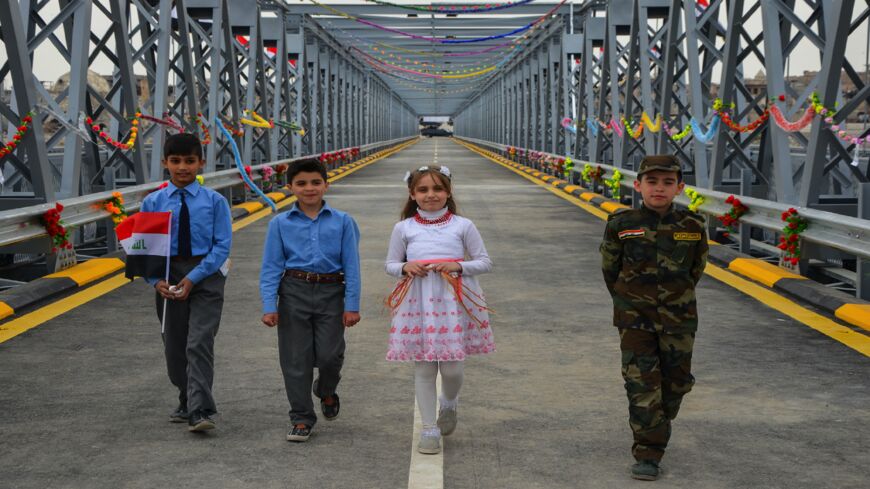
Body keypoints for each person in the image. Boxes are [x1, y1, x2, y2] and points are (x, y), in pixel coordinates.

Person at [600, 154, 708, 480]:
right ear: (638, 185)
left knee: (676, 384)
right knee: (641, 386)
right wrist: (630, 302)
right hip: (635, 320)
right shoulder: (621, 224)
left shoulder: (693, 225)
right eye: (651, 181)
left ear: (679, 187)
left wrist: (674, 299)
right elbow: (610, 270)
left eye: (667, 182)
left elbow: (696, 270)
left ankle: (658, 421)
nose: (658, 188)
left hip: (680, 319)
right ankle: (648, 453)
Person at [385, 165, 494, 455]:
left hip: (453, 300)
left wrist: (459, 265)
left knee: (452, 368)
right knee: (423, 367)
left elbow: (484, 261)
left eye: (437, 188)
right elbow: (391, 265)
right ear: (412, 194)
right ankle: (429, 429)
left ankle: (449, 401)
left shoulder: (463, 225)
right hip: (417, 302)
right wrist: (406, 267)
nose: (430, 195)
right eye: (423, 189)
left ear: (448, 192)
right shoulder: (404, 228)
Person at [259, 157, 361, 443]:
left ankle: (326, 389)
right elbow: (270, 267)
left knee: (331, 355)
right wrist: (270, 305)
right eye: (301, 183)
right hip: (293, 291)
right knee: (295, 359)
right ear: (290, 187)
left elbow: (352, 266)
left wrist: (351, 305)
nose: (309, 189)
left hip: (332, 292)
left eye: (316, 182)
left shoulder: (343, 222)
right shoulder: (279, 223)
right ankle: (302, 417)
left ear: (326, 185)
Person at [141, 133, 232, 432]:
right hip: (168, 275)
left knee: (199, 342)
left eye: (190, 161)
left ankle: (199, 410)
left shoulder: (215, 202)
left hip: (206, 275)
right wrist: (156, 281)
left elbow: (221, 246)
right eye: (176, 161)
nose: (183, 168)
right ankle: (186, 396)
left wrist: (192, 278)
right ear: (165, 163)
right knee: (175, 347)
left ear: (201, 163)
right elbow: (146, 248)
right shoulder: (152, 202)